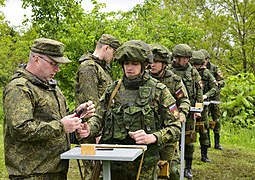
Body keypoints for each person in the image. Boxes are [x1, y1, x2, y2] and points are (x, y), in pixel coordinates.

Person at [77, 40, 181, 180]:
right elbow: (99, 117)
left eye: (134, 63)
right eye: (126, 63)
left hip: (144, 166)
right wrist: (89, 129)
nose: (129, 68)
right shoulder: (113, 89)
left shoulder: (158, 91)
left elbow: (175, 127)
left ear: (144, 65)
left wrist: (153, 137)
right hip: (114, 164)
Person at [3, 38, 95, 180]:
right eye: (53, 63)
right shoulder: (20, 88)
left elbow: (56, 123)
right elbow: (20, 129)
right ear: (36, 59)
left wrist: (77, 118)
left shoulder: (52, 87)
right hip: (31, 174)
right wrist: (61, 126)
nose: (57, 69)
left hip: (56, 170)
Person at [74, 34, 120, 179]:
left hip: (101, 128)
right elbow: (90, 103)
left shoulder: (101, 68)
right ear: (107, 48)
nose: (113, 57)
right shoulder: (88, 67)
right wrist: (96, 132)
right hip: (91, 131)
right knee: (94, 174)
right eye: (114, 52)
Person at [148, 44, 190, 180]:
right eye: (150, 62)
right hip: (148, 130)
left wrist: (182, 113)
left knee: (171, 170)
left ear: (164, 64)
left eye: (156, 62)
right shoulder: (143, 80)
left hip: (168, 129)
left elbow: (184, 100)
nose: (152, 65)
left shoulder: (174, 80)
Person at [170, 44, 203, 179]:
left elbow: (199, 90)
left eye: (187, 58)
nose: (186, 61)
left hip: (189, 111)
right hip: (172, 110)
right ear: (176, 57)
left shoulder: (193, 72)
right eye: (183, 58)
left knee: (188, 141)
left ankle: (188, 167)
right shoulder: (168, 70)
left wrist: (198, 108)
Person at [190, 50, 218, 163]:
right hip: (188, 106)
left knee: (204, 131)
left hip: (203, 106)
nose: (196, 67)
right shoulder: (188, 72)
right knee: (188, 133)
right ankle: (186, 160)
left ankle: (204, 155)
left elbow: (215, 87)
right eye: (194, 64)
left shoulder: (206, 73)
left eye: (197, 65)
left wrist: (206, 95)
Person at [199, 49, 225, 150]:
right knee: (205, 120)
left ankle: (217, 142)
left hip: (214, 97)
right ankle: (207, 142)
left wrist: (216, 83)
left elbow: (222, 81)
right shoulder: (198, 69)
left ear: (208, 59)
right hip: (204, 97)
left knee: (216, 119)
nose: (204, 61)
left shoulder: (214, 68)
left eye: (205, 59)